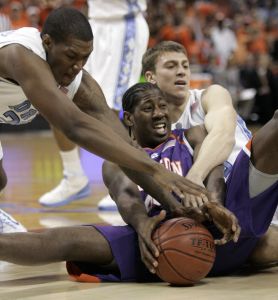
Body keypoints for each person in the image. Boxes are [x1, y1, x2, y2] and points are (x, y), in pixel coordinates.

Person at [0, 83, 277, 283]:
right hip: (158, 245)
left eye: (162, 107)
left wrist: (214, 203)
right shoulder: (116, 160)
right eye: (148, 108)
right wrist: (144, 226)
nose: (159, 114)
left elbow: (215, 171)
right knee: (67, 240)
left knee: (273, 128)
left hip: (222, 227)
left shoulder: (191, 134)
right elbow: (127, 199)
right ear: (129, 118)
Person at [0, 7, 209, 216]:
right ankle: (72, 177)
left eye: (85, 58)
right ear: (47, 43)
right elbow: (75, 126)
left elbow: (124, 146)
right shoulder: (21, 54)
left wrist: (174, 206)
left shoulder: (77, 81)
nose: (77, 67)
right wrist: (157, 169)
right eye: (72, 56)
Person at [102, 40, 253, 210]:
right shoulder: (156, 129)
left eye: (185, 66)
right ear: (151, 77)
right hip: (217, 203)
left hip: (251, 183)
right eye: (171, 66)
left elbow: (224, 137)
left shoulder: (210, 96)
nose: (181, 72)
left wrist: (194, 176)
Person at [38, 0, 150, 209]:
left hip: (123, 26)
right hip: (93, 25)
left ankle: (125, 181)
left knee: (109, 108)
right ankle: (73, 176)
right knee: (58, 96)